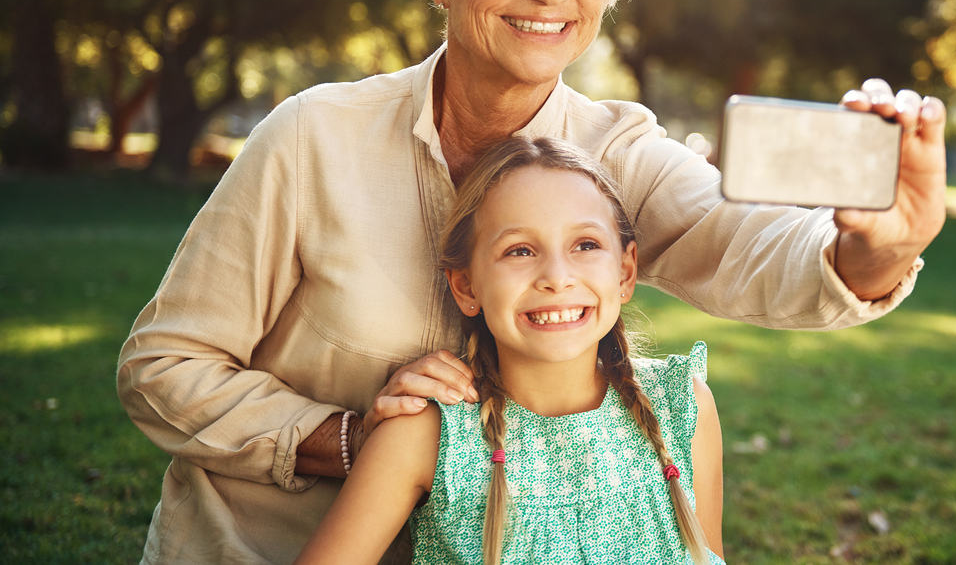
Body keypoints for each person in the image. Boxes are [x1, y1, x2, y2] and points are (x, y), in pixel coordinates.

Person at [118, 0, 946, 565]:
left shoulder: (613, 154)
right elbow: (163, 365)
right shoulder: (312, 138)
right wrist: (344, 438)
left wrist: (877, 245)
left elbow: (756, 244)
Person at [294, 136, 724, 565]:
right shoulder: (426, 433)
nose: (557, 277)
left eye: (585, 245)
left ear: (626, 272)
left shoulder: (682, 407)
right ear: (466, 286)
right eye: (520, 250)